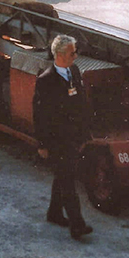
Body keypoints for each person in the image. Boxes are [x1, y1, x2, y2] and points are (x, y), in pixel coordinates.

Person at [32, 34, 94, 240]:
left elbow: (81, 103)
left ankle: (54, 213)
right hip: (56, 140)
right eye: (72, 53)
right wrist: (42, 143)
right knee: (67, 180)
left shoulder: (74, 71)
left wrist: (85, 133)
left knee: (63, 175)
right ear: (59, 55)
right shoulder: (46, 80)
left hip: (73, 137)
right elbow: (39, 115)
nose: (75, 56)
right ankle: (77, 224)